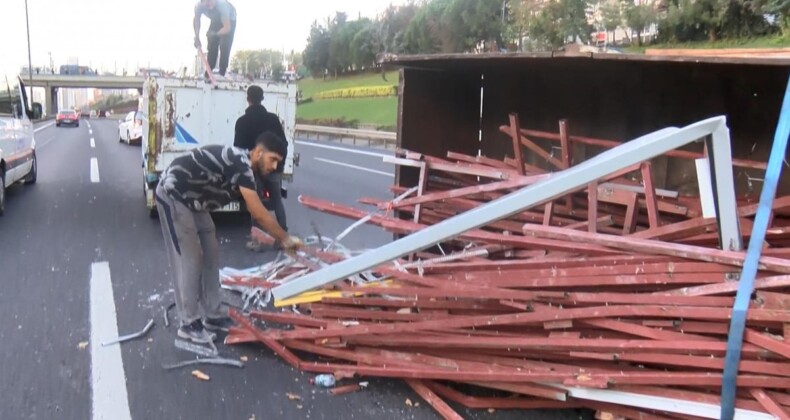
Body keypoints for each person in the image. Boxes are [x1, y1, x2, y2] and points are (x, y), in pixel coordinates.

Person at [155, 133, 301, 343]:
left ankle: (213, 315)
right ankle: (188, 323)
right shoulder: (240, 162)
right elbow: (258, 212)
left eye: (279, 162)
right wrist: (285, 239)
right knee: (191, 257)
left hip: (195, 201)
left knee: (211, 251)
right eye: (273, 159)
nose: (275, 166)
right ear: (258, 152)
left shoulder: (249, 171)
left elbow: (255, 210)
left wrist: (267, 235)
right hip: (174, 193)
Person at [234, 85, 289, 251]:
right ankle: (283, 238)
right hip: (274, 168)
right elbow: (283, 143)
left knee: (255, 204)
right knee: (277, 201)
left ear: (248, 99)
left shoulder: (242, 122)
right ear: (262, 99)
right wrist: (279, 164)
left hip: (254, 170)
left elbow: (238, 149)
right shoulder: (273, 119)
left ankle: (257, 241)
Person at [193, 0, 237, 76]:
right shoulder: (198, 6)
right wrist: (197, 36)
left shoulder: (222, 5)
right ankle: (209, 71)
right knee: (211, 42)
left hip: (229, 20)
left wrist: (215, 34)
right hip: (215, 20)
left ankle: (222, 71)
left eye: (210, 3)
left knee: (224, 43)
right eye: (206, 5)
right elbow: (197, 20)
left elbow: (227, 28)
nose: (209, 6)